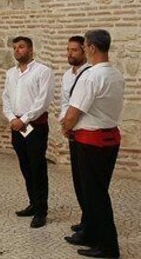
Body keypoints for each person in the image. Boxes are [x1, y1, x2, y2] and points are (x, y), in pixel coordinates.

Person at [61, 29, 124, 259]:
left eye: (85, 46)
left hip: (91, 141)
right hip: (109, 139)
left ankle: (108, 247)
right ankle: (89, 231)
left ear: (92, 48)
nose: (85, 49)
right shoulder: (116, 73)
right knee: (95, 191)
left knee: (95, 195)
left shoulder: (91, 76)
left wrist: (67, 127)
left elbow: (73, 112)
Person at [1, 36, 54, 229]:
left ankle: (42, 210)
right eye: (15, 47)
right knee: (25, 165)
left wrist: (22, 120)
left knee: (37, 166)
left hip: (34, 126)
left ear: (31, 49)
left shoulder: (43, 71)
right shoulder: (11, 73)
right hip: (16, 125)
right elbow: (6, 97)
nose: (17, 50)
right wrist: (11, 118)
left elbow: (42, 102)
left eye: (21, 47)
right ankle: (33, 203)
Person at [58, 36, 91, 237]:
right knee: (78, 179)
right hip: (72, 132)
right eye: (68, 50)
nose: (70, 54)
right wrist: (65, 123)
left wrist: (71, 122)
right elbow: (65, 102)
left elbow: (83, 107)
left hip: (85, 131)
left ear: (84, 51)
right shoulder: (67, 75)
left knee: (87, 181)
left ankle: (91, 222)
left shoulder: (90, 74)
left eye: (74, 50)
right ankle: (86, 218)